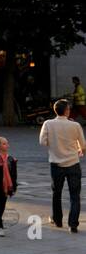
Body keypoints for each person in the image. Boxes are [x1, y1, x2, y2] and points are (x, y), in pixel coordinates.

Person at [40, 99, 85, 232]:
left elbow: (42, 142)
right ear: (66, 111)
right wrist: (79, 150)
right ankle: (73, 224)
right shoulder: (75, 125)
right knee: (74, 195)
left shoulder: (48, 123)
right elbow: (83, 145)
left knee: (56, 193)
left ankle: (57, 220)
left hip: (56, 163)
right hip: (73, 163)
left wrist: (55, 145)